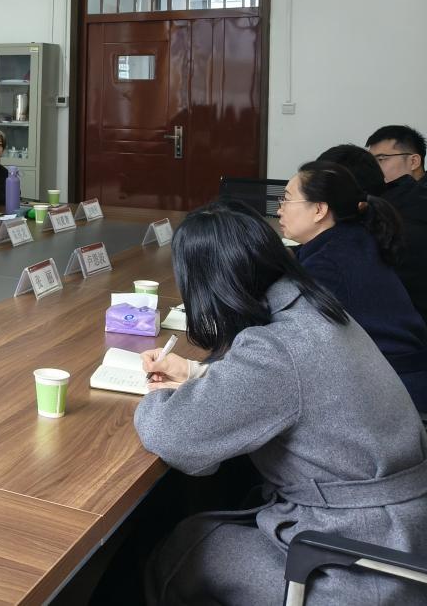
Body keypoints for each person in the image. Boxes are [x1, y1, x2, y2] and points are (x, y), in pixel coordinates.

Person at [135, 200, 427, 606]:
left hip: (357, 559)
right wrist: (196, 373)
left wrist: (157, 393)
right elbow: (291, 387)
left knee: (183, 550)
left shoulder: (276, 349)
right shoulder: (314, 307)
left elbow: (174, 436)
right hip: (402, 527)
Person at [280, 161, 427, 413]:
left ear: (319, 210)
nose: (279, 209)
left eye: (286, 199)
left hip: (392, 390)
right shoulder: (351, 237)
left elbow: (289, 336)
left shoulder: (329, 263)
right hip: (402, 375)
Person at [364, 128, 427, 323]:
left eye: (381, 159)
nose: (373, 169)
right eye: (370, 161)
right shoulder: (387, 197)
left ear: (414, 161)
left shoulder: (414, 205)